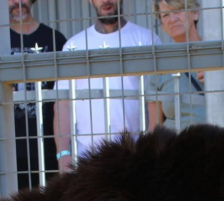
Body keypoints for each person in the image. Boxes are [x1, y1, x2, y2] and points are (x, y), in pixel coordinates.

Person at [54, 0, 161, 172]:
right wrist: (63, 154)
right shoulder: (74, 47)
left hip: (135, 157)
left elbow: (158, 102)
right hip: (87, 159)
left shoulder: (146, 40)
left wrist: (148, 150)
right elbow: (62, 104)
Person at [8, 0, 66, 189]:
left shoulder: (54, 39)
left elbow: (64, 96)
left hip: (47, 146)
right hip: (8, 149)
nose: (17, 2)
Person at [149, 0, 207, 129]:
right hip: (177, 146)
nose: (172, 19)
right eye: (165, 15)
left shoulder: (218, 53)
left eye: (178, 10)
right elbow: (155, 126)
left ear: (195, 13)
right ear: (162, 26)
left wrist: (219, 78)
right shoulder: (158, 65)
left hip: (218, 142)